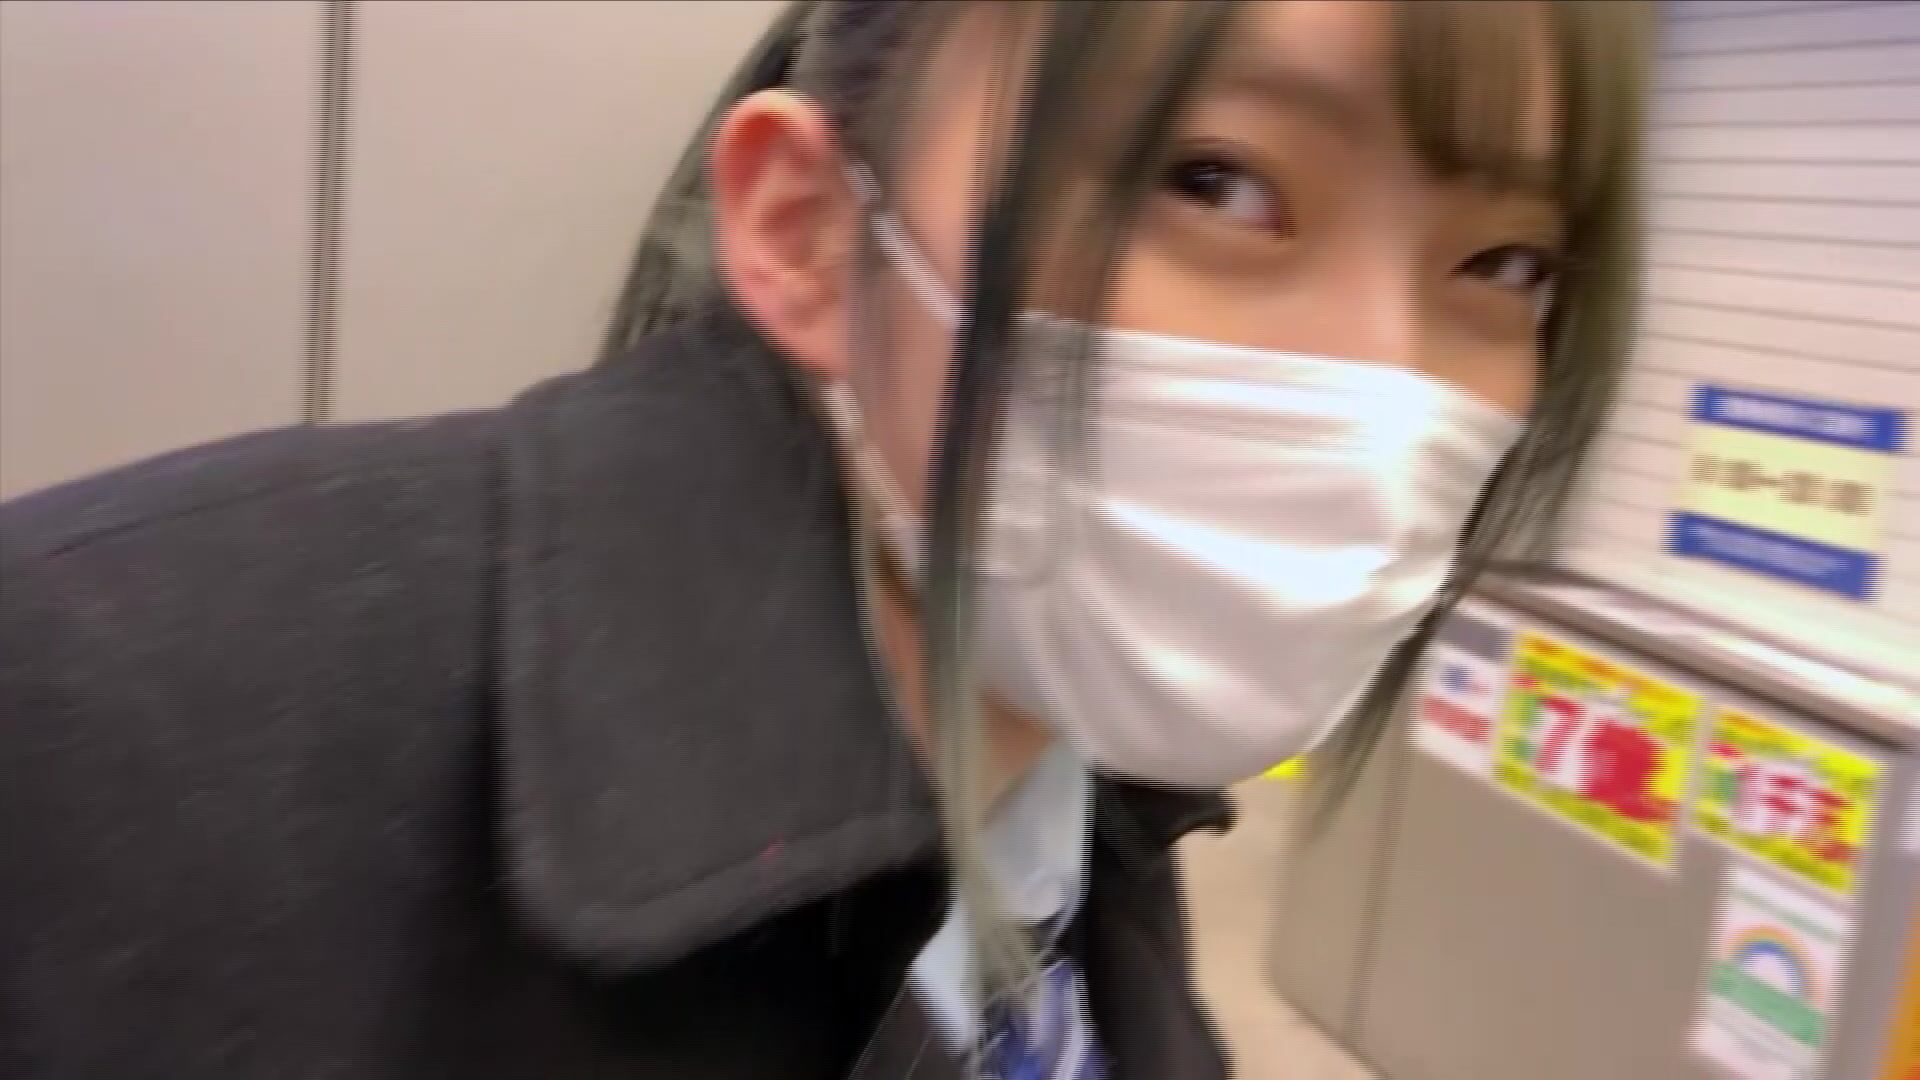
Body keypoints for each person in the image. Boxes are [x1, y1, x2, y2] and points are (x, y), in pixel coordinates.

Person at [0, 1, 1648, 1077]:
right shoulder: (102, 725)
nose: (1388, 386)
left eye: (1505, 266)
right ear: (805, 230)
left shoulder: (1085, 796)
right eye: (1214, 182)